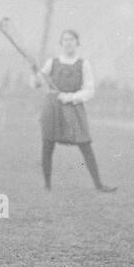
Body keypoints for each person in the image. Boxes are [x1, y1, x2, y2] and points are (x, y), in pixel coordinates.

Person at [37, 29, 115, 192]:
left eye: (71, 40)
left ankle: (99, 184)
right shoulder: (52, 62)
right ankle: (47, 186)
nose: (68, 43)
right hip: (52, 107)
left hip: (73, 108)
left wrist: (70, 97)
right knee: (47, 144)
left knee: (85, 145)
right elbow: (39, 83)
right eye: (65, 40)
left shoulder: (83, 64)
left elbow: (89, 90)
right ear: (61, 43)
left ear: (77, 43)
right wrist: (35, 76)